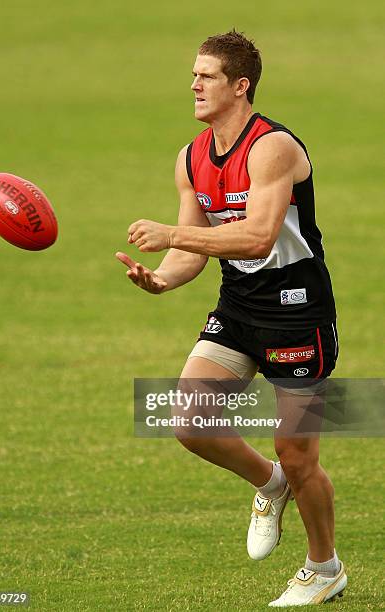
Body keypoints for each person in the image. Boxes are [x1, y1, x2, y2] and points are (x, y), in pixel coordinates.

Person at [116, 30, 347, 607]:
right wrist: (163, 277)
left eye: (207, 76)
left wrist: (172, 233)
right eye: (193, 75)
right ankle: (267, 484)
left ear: (240, 85)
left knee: (300, 455)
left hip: (297, 313)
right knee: (190, 420)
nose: (194, 84)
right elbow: (196, 248)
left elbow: (256, 236)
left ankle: (325, 568)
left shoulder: (272, 148)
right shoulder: (191, 157)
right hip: (240, 307)